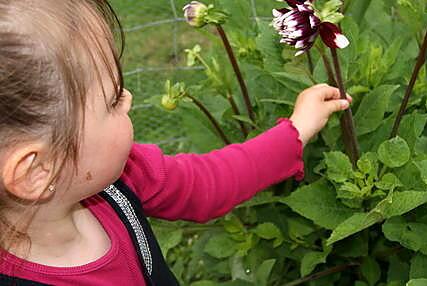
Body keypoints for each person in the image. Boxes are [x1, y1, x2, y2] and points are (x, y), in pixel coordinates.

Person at [0, 0, 352, 285]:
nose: (129, 98)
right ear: (36, 171)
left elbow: (207, 183)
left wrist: (296, 130)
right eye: (111, 100)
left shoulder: (122, 179)